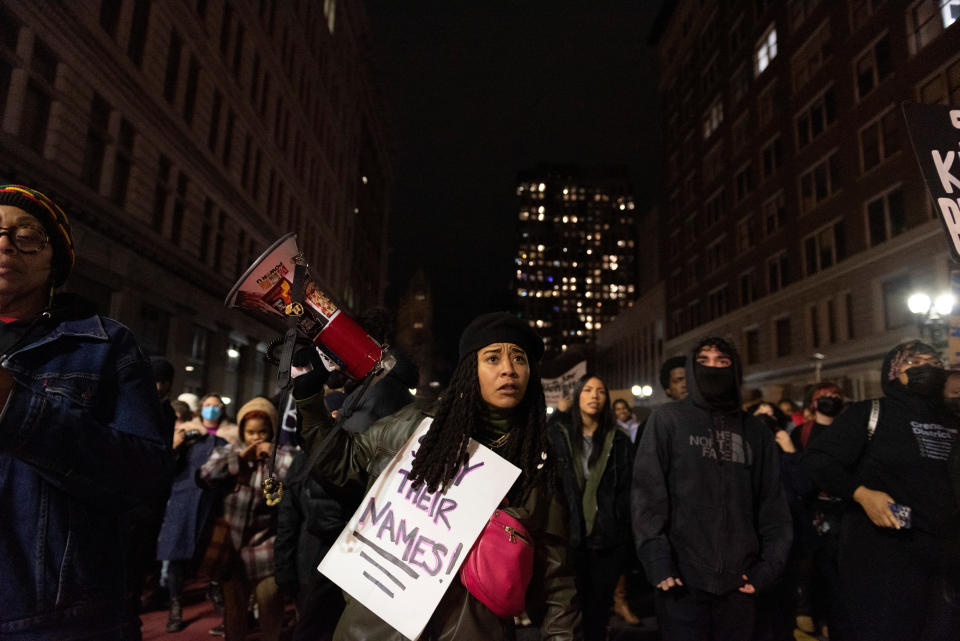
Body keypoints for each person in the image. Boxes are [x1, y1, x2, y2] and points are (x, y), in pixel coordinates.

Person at [296, 311, 581, 640]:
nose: (508, 369)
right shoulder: (413, 427)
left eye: (520, 358)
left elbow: (555, 582)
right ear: (469, 369)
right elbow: (343, 462)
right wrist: (308, 400)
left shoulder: (536, 464)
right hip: (373, 630)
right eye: (493, 358)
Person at [0, 184, 172, 640]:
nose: (4, 243)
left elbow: (144, 477)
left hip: (54, 622)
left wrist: (15, 408)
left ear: (54, 259)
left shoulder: (104, 346)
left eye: (26, 235)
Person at [632, 336, 792, 641]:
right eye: (703, 361)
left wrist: (768, 569)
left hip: (741, 582)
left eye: (722, 361)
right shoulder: (667, 420)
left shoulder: (755, 430)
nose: (713, 367)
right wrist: (658, 561)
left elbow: (772, 503)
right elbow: (647, 496)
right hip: (681, 580)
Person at [802, 341, 960, 640]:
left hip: (943, 561)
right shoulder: (871, 413)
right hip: (883, 559)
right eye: (914, 363)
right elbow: (817, 461)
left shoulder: (952, 420)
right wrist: (861, 493)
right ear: (893, 372)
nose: (927, 368)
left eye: (935, 363)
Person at [199, 396, 296, 641]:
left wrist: (272, 456)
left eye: (262, 432)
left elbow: (295, 474)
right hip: (231, 549)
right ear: (242, 431)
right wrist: (241, 459)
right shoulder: (228, 452)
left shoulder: (282, 455)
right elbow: (206, 474)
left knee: (270, 603)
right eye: (251, 432)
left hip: (266, 547)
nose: (256, 438)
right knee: (234, 610)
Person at [550, 374, 634, 640]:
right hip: (568, 537)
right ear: (577, 396)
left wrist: (622, 531)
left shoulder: (618, 440)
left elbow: (629, 489)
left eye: (600, 391)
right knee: (569, 608)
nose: (594, 396)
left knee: (598, 609)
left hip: (606, 539)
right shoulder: (559, 435)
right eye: (587, 390)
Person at [156, 400, 228, 632]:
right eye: (208, 404)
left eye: (216, 405)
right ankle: (175, 606)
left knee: (209, 554)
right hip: (182, 499)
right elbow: (169, 464)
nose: (212, 408)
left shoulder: (228, 440)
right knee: (176, 552)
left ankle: (216, 594)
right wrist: (176, 444)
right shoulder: (187, 434)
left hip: (210, 503)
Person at [788, 382, 845, 639]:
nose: (830, 399)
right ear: (813, 402)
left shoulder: (849, 431)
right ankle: (812, 613)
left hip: (842, 508)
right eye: (824, 396)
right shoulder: (801, 433)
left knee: (838, 570)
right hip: (811, 510)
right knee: (811, 568)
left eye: (835, 395)